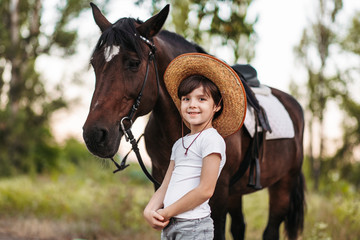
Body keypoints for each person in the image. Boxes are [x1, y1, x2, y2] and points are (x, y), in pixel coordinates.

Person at [143, 53, 247, 240]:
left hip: (194, 227)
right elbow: (165, 185)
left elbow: (205, 190)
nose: (192, 105)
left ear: (216, 106)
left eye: (201, 99)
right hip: (171, 226)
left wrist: (166, 212)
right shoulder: (178, 144)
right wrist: (150, 210)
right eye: (186, 99)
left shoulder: (212, 140)